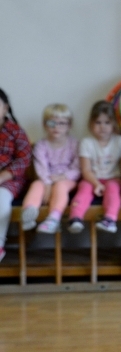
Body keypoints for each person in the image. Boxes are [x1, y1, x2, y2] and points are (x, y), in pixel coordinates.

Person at [66, 101, 121, 235]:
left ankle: (110, 219)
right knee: (83, 189)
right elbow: (86, 170)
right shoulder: (86, 142)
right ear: (91, 124)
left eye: (107, 122)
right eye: (98, 122)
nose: (102, 127)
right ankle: (75, 218)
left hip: (114, 178)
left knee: (112, 189)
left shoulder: (120, 142)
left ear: (113, 124)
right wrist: (96, 183)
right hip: (91, 178)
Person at [20, 104, 80, 234]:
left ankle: (54, 218)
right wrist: (47, 185)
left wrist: (61, 177)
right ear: (45, 125)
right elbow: (41, 168)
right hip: (47, 178)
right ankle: (29, 211)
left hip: (67, 179)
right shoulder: (41, 145)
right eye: (52, 123)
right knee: (36, 184)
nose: (56, 127)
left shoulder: (74, 144)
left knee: (60, 186)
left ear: (69, 125)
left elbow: (77, 168)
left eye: (62, 123)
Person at [0, 88, 32, 262]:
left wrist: (3, 176)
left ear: (5, 108)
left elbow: (24, 159)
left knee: (1, 200)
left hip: (10, 181)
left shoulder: (15, 131)